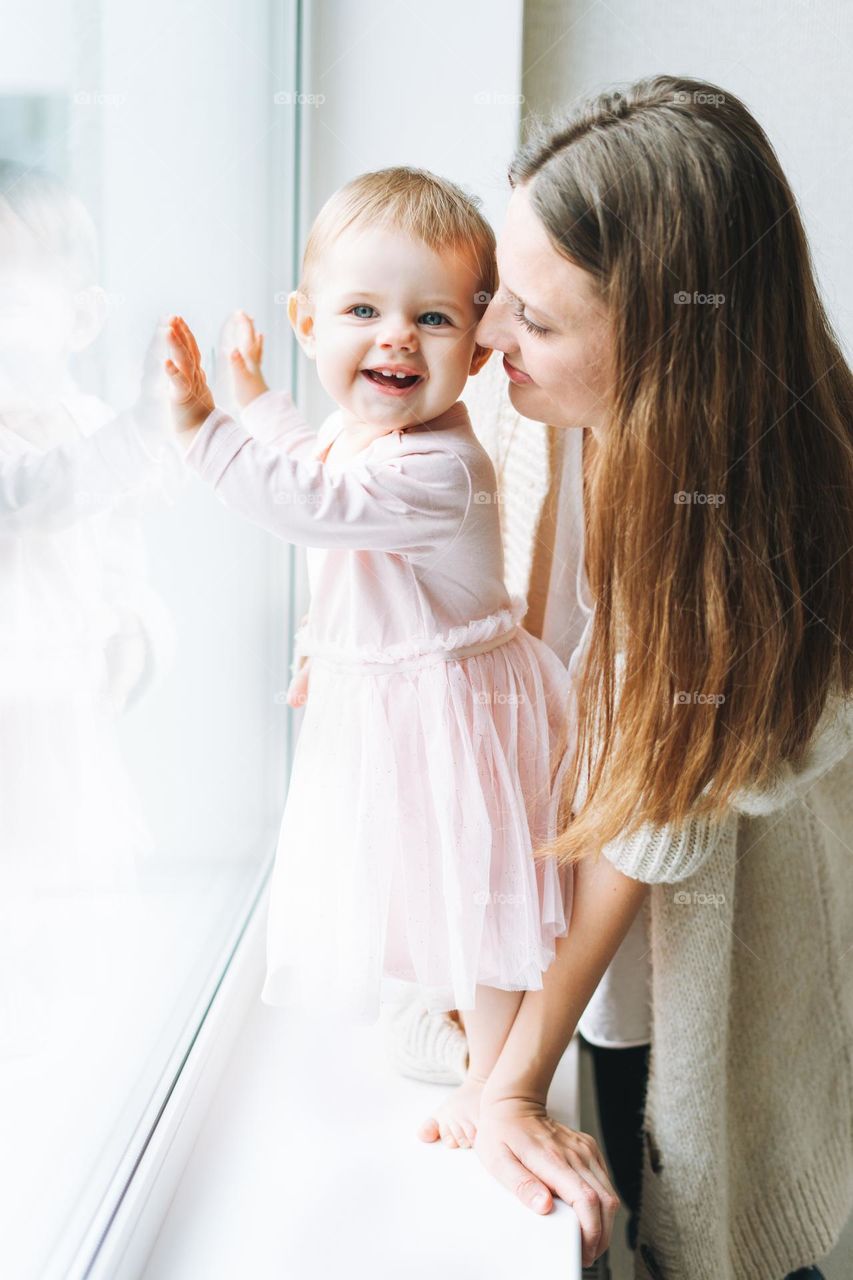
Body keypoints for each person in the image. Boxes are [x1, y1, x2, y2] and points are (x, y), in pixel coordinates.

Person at [412, 75, 852, 1278]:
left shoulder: (765, 527)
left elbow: (647, 820)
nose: (494, 335)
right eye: (501, 292)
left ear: (674, 338)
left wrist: (508, 1085)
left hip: (695, 980)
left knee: (706, 1231)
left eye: (538, 322)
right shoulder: (524, 413)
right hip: (573, 956)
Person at [162, 168, 583, 1151]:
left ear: (476, 351)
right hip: (404, 693)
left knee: (476, 892)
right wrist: (256, 398)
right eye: (363, 309)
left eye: (432, 318)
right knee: (422, 871)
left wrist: (201, 431)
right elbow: (315, 465)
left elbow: (315, 507)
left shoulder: (439, 466)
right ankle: (457, 1018)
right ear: (308, 321)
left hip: (456, 706)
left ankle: (494, 1079)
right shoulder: (368, 431)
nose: (395, 336)